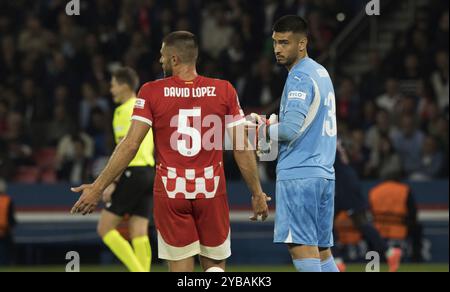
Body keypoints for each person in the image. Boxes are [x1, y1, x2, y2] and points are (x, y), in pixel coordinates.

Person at [71, 31, 270, 272]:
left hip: (171, 192)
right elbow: (241, 146)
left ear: (175, 59)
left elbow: (130, 144)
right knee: (215, 269)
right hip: (210, 190)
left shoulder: (151, 92)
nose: (160, 61)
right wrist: (257, 193)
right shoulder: (224, 90)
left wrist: (97, 187)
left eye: (163, 56)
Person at [254, 15, 338, 272]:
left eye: (285, 43)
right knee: (322, 252)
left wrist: (262, 129)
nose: (278, 49)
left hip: (300, 174)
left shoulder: (300, 77)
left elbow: (290, 129)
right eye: (275, 43)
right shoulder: (320, 72)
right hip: (323, 175)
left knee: (301, 247)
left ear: (302, 44)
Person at [95, 67, 156, 272]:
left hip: (133, 171)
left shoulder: (123, 111)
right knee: (138, 229)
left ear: (124, 86)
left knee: (104, 228)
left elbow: (125, 148)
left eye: (113, 85)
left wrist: (112, 181)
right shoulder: (145, 107)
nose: (111, 89)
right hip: (149, 172)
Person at [333, 142, 402, 272]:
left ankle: (337, 261)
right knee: (353, 222)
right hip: (344, 179)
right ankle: (390, 252)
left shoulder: (321, 131)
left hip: (342, 183)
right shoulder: (330, 132)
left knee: (327, 222)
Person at [0, 179, 16, 266]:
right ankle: (9, 263)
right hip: (5, 230)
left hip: (4, 230)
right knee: (8, 249)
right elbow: (10, 218)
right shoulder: (7, 200)